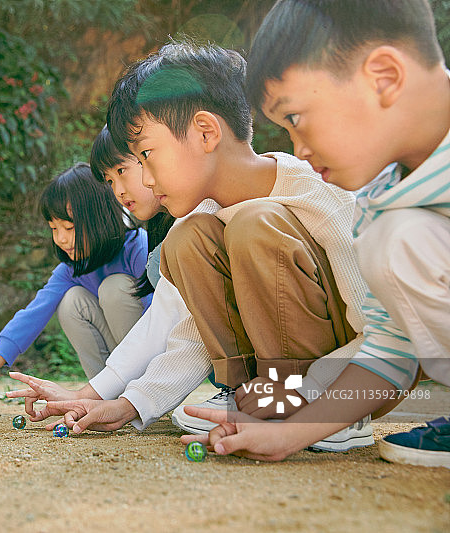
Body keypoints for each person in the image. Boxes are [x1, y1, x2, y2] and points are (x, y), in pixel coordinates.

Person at [11, 40, 373, 452]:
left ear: (205, 132)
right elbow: (192, 331)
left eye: (147, 154)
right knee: (187, 238)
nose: (146, 179)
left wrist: (312, 395)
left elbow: (381, 332)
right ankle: (246, 394)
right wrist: (129, 404)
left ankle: (310, 408)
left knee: (254, 224)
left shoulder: (317, 195)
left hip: (336, 384)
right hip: (272, 389)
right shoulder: (201, 222)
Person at [180, 0, 450, 468]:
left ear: (384, 77)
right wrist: (288, 432)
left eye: (295, 118)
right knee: (397, 240)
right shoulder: (384, 201)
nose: (298, 148)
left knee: (400, 241)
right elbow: (391, 350)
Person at [0, 163, 150, 399]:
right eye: (54, 228)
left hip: (151, 361)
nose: (61, 239)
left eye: (69, 227)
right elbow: (32, 315)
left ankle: (141, 394)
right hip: (117, 371)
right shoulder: (72, 269)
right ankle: (103, 396)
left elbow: (162, 317)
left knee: (115, 287)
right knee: (71, 301)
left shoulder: (138, 247)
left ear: (100, 219)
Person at [90, 124, 175, 296]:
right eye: (110, 181)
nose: (118, 191)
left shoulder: (194, 223)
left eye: (121, 171)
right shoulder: (159, 228)